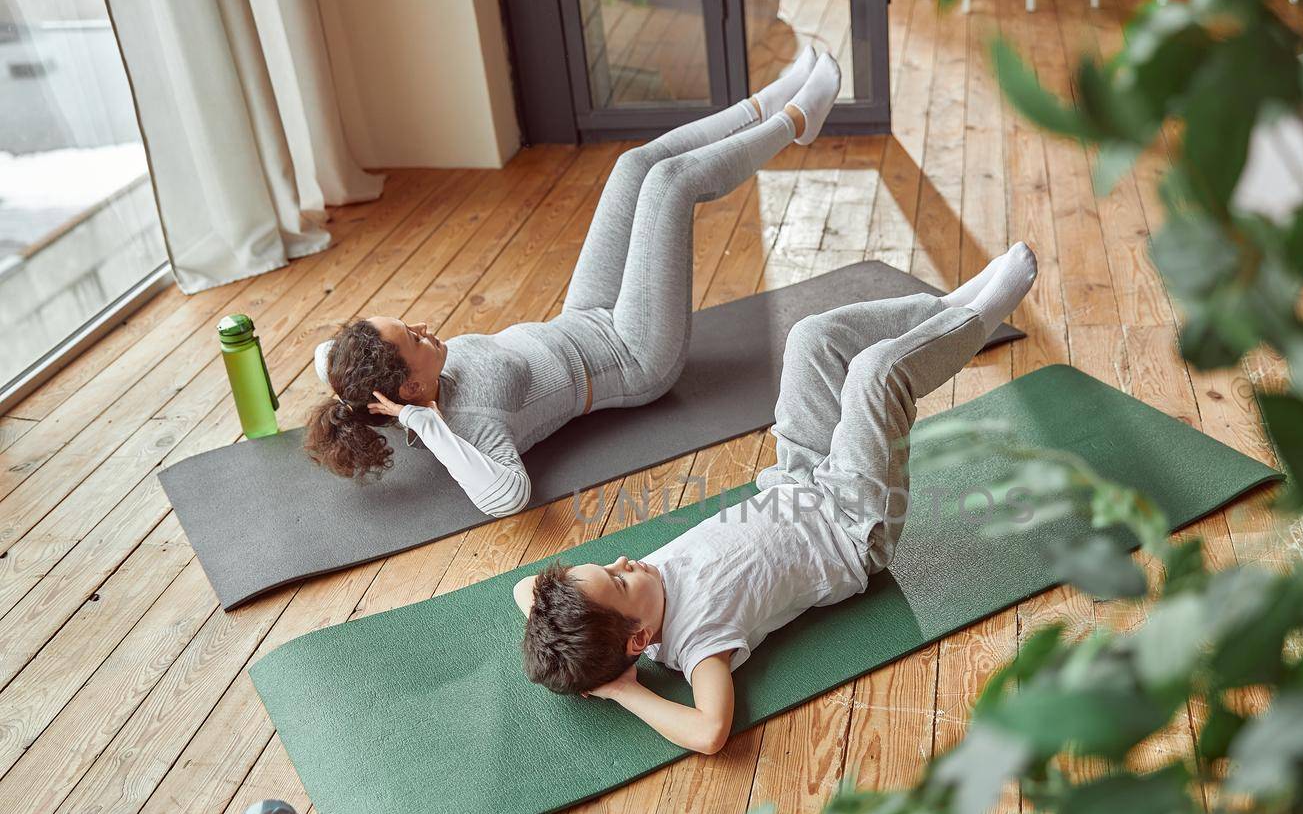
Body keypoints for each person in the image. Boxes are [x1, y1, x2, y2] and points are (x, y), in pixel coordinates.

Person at [513, 241, 1039, 753]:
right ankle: (978, 318)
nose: (625, 561)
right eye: (618, 578)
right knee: (875, 377)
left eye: (610, 566)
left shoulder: (629, 599)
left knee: (812, 338)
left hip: (798, 478)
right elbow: (707, 732)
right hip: (850, 523)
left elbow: (525, 590)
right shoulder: (696, 642)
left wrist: (577, 633)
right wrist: (622, 689)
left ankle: (945, 313)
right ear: (637, 641)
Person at [305, 46, 843, 517]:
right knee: (669, 184)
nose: (425, 327)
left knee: (634, 165)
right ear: (412, 389)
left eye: (410, 325)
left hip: (584, 316)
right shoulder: (470, 424)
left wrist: (362, 384)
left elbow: (328, 353)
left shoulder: (400, 383)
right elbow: (505, 495)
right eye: (414, 338)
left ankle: (769, 101)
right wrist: (423, 424)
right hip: (634, 354)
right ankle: (796, 119)